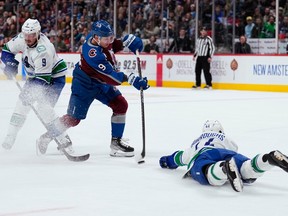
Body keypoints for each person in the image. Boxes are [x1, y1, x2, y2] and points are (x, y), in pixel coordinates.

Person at [36, 20, 149, 157]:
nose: (109, 41)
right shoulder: (92, 54)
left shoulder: (99, 37)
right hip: (84, 85)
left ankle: (116, 142)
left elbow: (111, 46)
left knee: (120, 104)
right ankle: (46, 137)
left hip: (100, 82)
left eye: (110, 37)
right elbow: (111, 76)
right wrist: (131, 79)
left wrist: (125, 42)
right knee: (73, 119)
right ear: (96, 37)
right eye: (107, 39)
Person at [1, 18, 73, 153]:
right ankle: (10, 136)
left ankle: (64, 140)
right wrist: (9, 62)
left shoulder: (43, 50)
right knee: (21, 105)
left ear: (38, 33)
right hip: (36, 76)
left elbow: (42, 80)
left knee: (44, 108)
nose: (28, 38)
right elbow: (6, 50)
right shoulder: (22, 38)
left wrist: (30, 94)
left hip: (55, 78)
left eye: (32, 35)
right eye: (26, 34)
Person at [159, 120, 288, 192]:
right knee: (245, 168)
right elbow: (234, 150)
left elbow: (179, 157)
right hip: (227, 153)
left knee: (205, 172)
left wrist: (166, 161)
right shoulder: (226, 137)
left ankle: (222, 168)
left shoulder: (197, 142)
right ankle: (267, 159)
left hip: (204, 154)